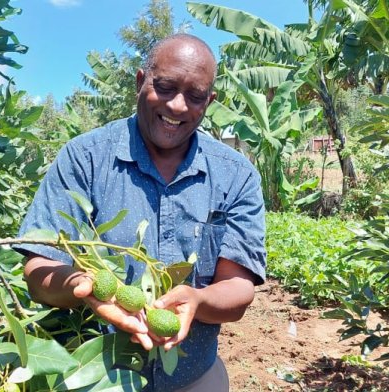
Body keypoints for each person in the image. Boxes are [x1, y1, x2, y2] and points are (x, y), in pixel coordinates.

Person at [15, 33, 266, 391]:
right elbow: (39, 268)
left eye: (195, 97)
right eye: (164, 87)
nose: (178, 106)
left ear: (208, 102)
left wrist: (197, 299)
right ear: (140, 82)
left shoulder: (235, 174)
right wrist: (83, 288)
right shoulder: (84, 158)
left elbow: (238, 287)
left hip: (194, 376)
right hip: (98, 379)